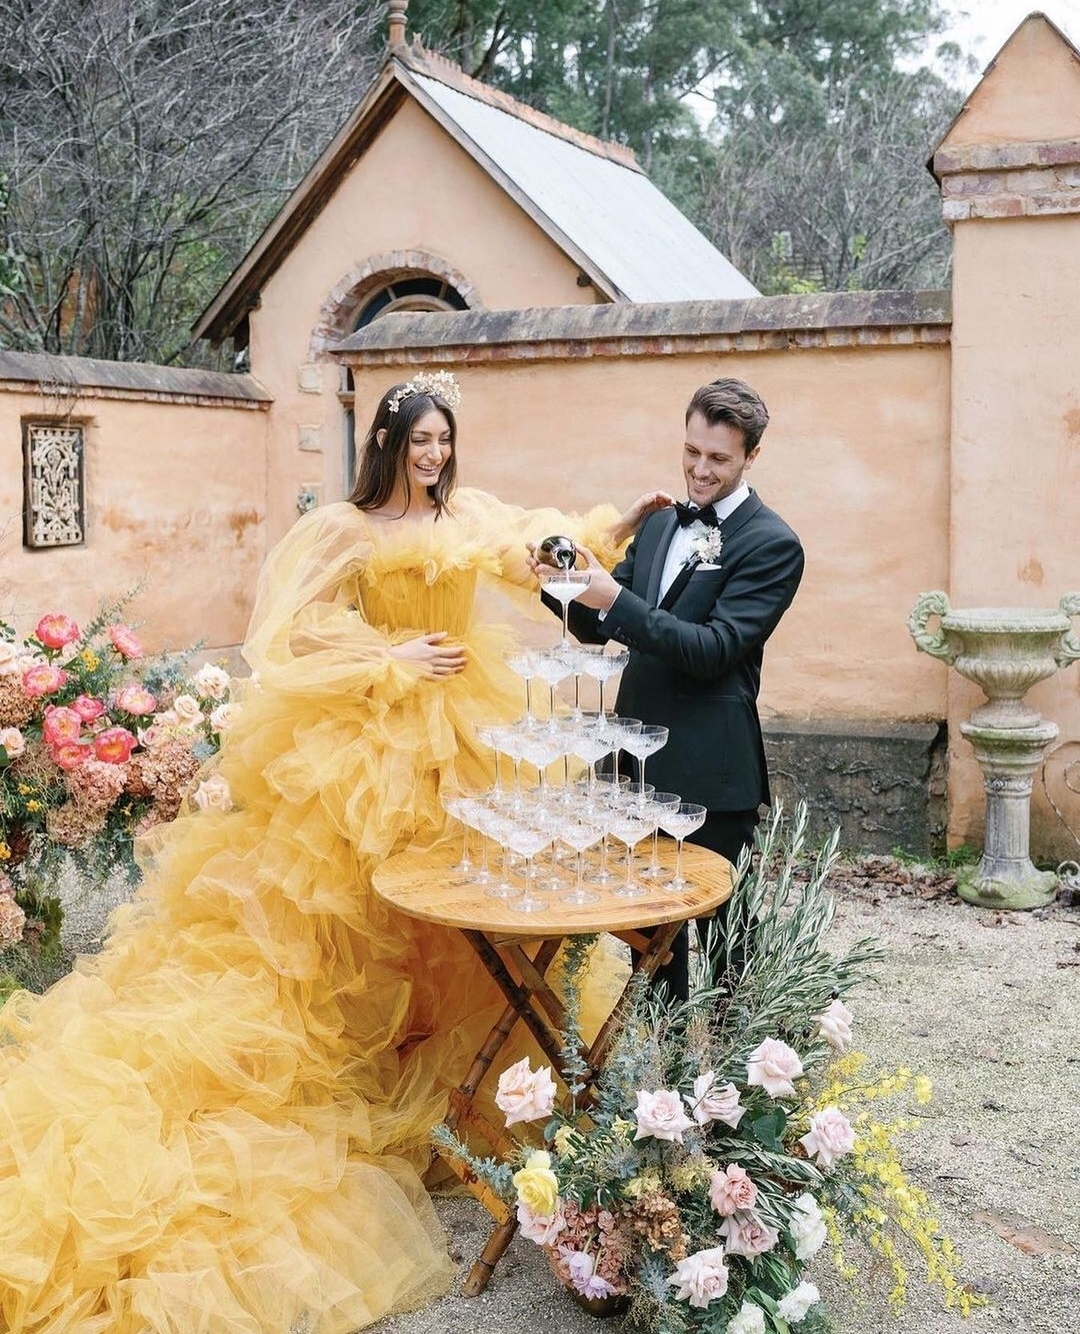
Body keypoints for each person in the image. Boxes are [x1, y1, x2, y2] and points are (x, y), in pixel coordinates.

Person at [0, 371, 664, 1334]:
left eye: (443, 440)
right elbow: (288, 638)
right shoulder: (346, 532)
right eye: (419, 442)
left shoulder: (468, 512)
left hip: (468, 736)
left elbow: (539, 558)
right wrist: (387, 661)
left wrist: (617, 530)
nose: (434, 457)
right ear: (387, 446)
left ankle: (457, 1077)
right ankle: (351, 1078)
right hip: (369, 740)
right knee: (344, 913)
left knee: (461, 906)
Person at [539, 377, 804, 1000]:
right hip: (632, 760)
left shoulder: (773, 544)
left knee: (725, 940)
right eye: (691, 452)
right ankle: (655, 1079)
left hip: (710, 770)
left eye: (718, 458)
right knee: (648, 946)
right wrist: (561, 581)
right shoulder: (659, 526)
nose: (699, 470)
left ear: (751, 457)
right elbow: (595, 623)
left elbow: (712, 651)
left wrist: (618, 599)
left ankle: (748, 1078)